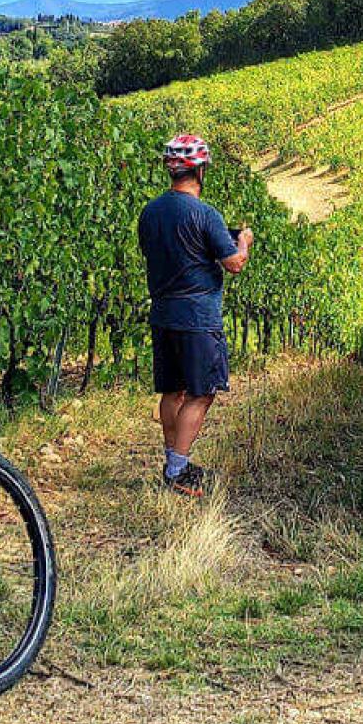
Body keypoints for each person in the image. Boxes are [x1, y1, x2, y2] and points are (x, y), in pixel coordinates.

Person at [138, 135, 252, 497]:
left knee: (172, 390)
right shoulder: (205, 214)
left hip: (163, 313)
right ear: (200, 169)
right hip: (197, 317)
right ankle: (177, 470)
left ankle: (173, 462)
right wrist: (244, 239)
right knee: (202, 393)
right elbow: (233, 263)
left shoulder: (150, 212)